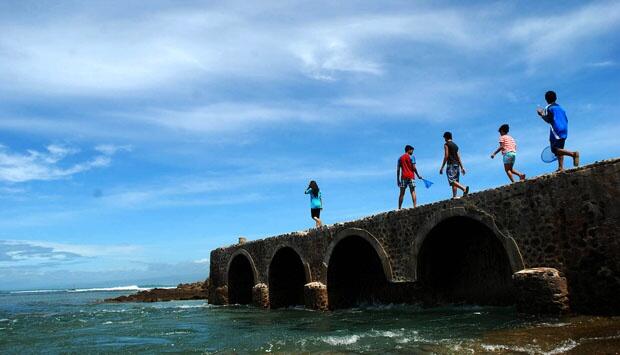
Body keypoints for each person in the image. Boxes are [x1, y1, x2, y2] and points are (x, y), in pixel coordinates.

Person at [536, 90, 580, 172]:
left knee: (554, 149)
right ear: (556, 98)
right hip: (564, 128)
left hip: (556, 129)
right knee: (560, 148)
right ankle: (560, 167)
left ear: (546, 99)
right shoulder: (560, 108)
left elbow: (549, 120)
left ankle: (573, 154)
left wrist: (541, 114)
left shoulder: (549, 108)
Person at [439, 132, 469, 199]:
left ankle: (464, 188)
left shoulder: (446, 144)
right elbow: (459, 157)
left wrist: (442, 167)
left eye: (444, 138)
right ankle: (454, 196)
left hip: (451, 164)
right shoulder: (456, 146)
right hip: (456, 165)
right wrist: (462, 167)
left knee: (452, 181)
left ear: (446, 137)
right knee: (455, 181)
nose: (444, 139)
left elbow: (446, 156)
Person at [397, 145, 423, 209]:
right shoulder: (412, 157)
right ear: (408, 150)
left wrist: (398, 180)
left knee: (402, 193)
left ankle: (399, 208)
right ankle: (414, 206)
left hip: (403, 177)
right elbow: (414, 168)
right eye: (412, 150)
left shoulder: (400, 158)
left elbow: (398, 170)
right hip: (411, 176)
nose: (412, 151)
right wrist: (418, 175)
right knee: (413, 191)